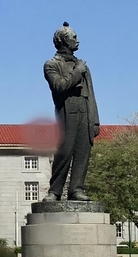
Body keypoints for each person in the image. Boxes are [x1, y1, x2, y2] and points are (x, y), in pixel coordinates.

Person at [42, 22, 100, 202]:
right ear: (62, 41)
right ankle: (55, 191)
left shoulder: (82, 65)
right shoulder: (52, 64)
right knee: (65, 151)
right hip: (66, 110)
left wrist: (95, 120)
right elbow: (59, 86)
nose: (78, 41)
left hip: (84, 109)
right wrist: (76, 73)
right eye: (74, 38)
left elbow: (91, 93)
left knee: (83, 151)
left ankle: (77, 189)